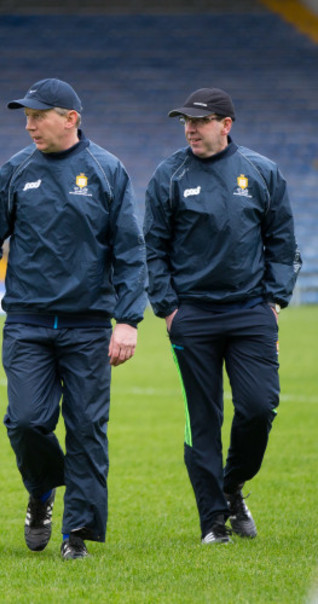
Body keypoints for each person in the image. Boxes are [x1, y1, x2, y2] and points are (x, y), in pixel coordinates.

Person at [0, 78, 147, 560]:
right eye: (26, 116)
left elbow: (129, 251)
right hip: (28, 324)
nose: (29, 124)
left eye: (39, 115)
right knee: (26, 422)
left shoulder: (107, 170)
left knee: (86, 428)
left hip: (87, 325)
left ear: (71, 119)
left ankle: (75, 535)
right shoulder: (16, 171)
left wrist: (128, 320)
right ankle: (41, 494)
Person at [143, 88, 301, 544]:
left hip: (252, 313)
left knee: (258, 409)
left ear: (225, 125)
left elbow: (282, 242)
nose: (190, 128)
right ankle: (213, 521)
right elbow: (153, 247)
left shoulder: (261, 171)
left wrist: (274, 301)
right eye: (185, 122)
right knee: (203, 419)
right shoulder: (169, 174)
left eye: (200, 120)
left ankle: (233, 486)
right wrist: (169, 308)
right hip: (193, 317)